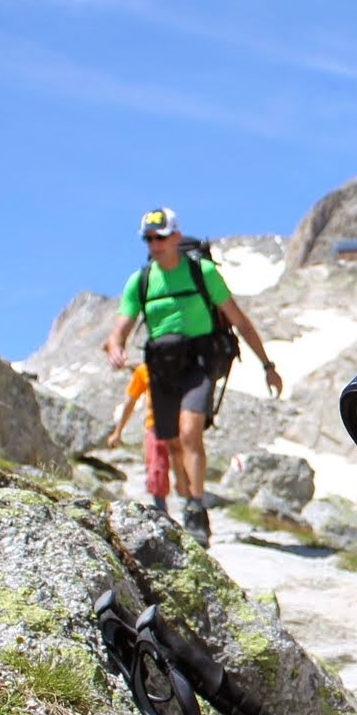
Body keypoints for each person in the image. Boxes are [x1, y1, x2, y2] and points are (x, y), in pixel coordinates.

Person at [103, 208, 283, 546]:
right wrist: (115, 348)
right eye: (149, 239)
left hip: (200, 362)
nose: (154, 244)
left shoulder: (203, 272)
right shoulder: (140, 282)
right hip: (161, 367)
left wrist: (267, 366)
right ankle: (186, 501)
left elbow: (240, 321)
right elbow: (119, 331)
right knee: (171, 443)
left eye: (160, 237)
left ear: (175, 237)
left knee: (189, 433)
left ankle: (196, 508)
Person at [105, 361, 173, 514]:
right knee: (156, 466)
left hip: (181, 423)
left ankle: (192, 510)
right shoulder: (143, 371)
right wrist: (118, 431)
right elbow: (130, 401)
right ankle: (161, 510)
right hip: (156, 425)